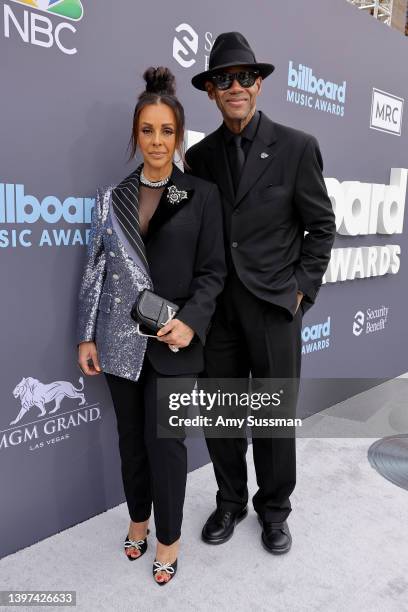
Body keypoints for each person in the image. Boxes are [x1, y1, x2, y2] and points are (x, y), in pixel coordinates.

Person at [185, 32, 336, 554]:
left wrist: (301, 292)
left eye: (244, 77)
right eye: (223, 79)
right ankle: (230, 502)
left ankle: (275, 510)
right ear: (210, 91)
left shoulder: (297, 148)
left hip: (275, 306)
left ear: (260, 84)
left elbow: (322, 227)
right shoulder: (199, 157)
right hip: (218, 311)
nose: (235, 87)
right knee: (223, 414)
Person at [76, 66, 226, 584]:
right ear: (135, 134)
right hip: (119, 342)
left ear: (179, 137)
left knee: (168, 447)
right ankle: (138, 519)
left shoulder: (201, 195)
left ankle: (168, 537)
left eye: (166, 131)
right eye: (147, 130)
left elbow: (213, 273)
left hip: (174, 343)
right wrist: (86, 334)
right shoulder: (111, 197)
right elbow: (95, 267)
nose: (157, 141)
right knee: (131, 441)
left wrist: (191, 322)